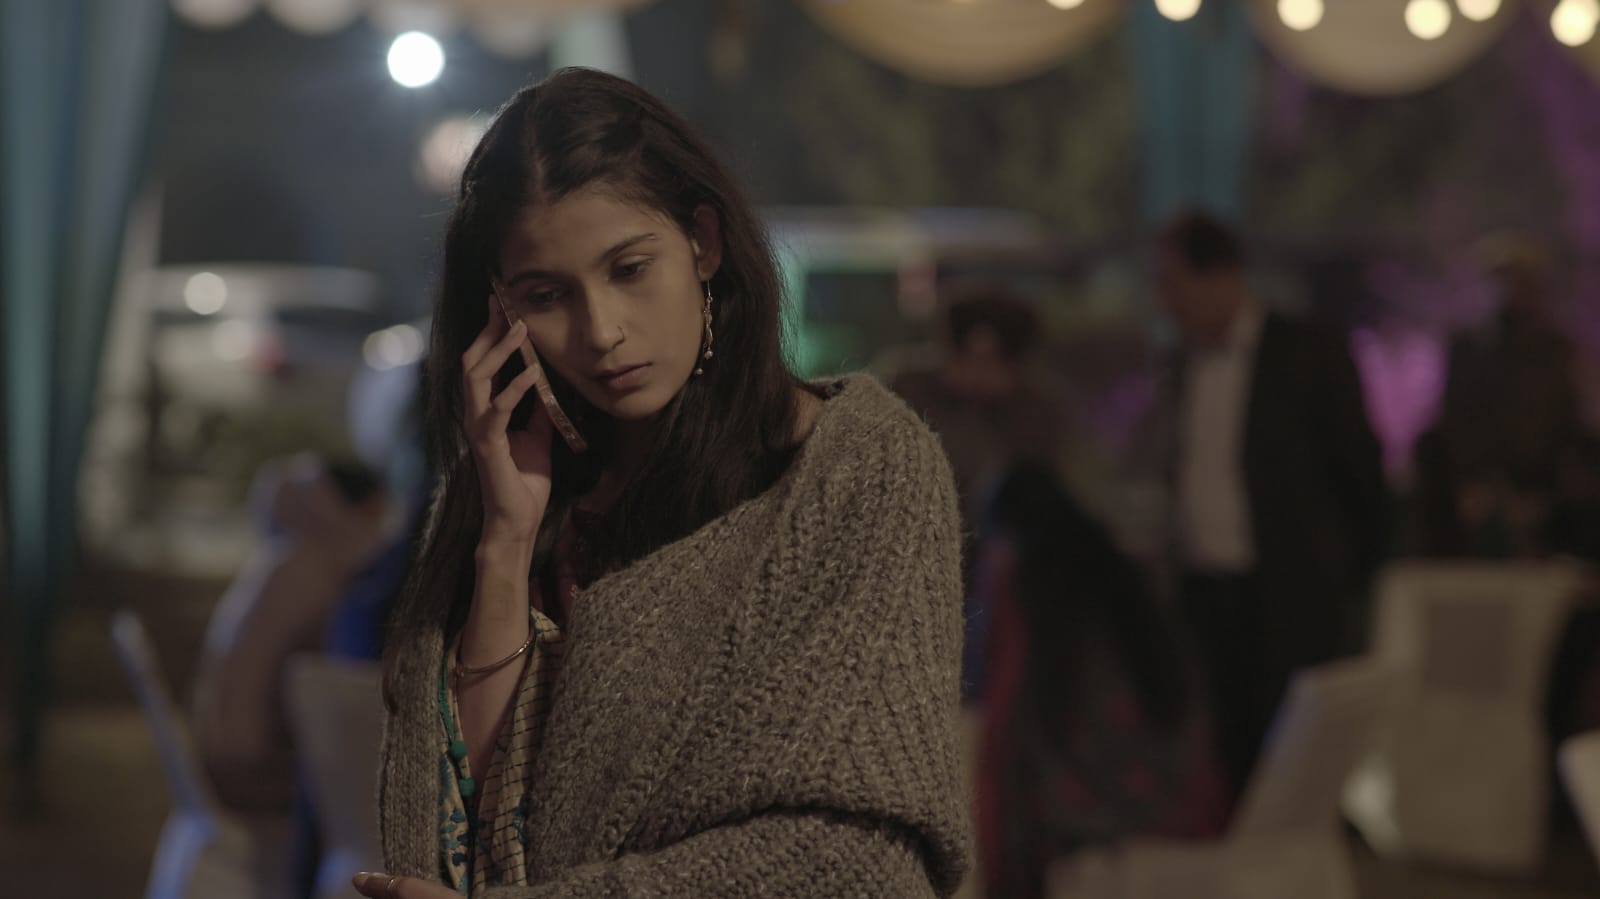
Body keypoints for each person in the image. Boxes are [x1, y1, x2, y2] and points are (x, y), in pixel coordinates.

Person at [353, 68, 969, 899]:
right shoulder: (506, 490)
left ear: (702, 242)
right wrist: (504, 540)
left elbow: (856, 863)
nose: (602, 330)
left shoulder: (857, 469)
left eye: (630, 268)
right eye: (547, 295)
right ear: (503, 312)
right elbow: (465, 831)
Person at [1150, 210, 1389, 801]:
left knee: (1292, 759)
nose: (1166, 302)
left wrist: (1348, 577)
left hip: (1289, 594)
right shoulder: (1181, 361)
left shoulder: (1308, 352)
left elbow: (1360, 473)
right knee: (1224, 751)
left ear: (1222, 276)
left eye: (1174, 283)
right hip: (1205, 594)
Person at [974, 464, 1227, 899]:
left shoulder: (1020, 588)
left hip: (1081, 832)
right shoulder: (1120, 571)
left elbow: (1000, 727)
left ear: (1005, 533)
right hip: (1180, 814)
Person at [887, 285, 1063, 699]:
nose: (979, 373)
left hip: (999, 564)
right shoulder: (909, 389)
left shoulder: (1037, 410)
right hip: (915, 553)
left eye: (994, 361)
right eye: (968, 357)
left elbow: (1041, 493)